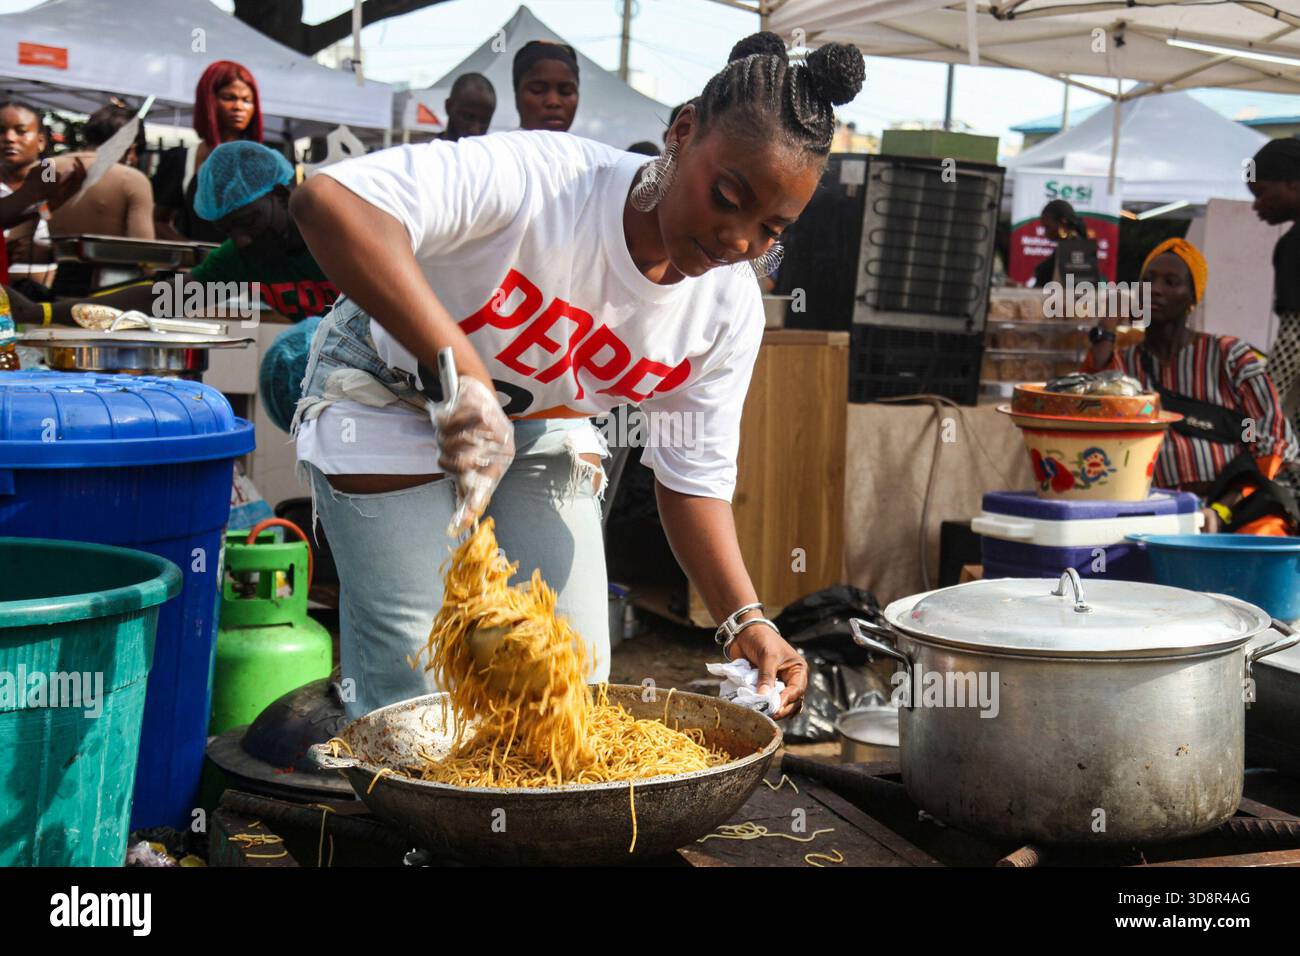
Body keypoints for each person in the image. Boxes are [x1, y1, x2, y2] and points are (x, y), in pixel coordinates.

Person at [287, 31, 865, 720]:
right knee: (421, 693)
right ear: (682, 133)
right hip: (387, 392)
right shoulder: (547, 178)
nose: (739, 241)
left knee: (569, 683)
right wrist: (463, 373)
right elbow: (330, 202)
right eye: (727, 195)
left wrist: (748, 621)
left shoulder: (726, 306)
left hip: (539, 424)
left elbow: (692, 483)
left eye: (772, 229)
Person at [8, 142, 336, 429]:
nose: (242, 238)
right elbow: (160, 299)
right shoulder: (244, 257)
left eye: (248, 221)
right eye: (229, 229)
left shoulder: (335, 232)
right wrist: (41, 311)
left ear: (281, 193)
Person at [1083, 238, 1298, 530]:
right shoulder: (1125, 364)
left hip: (1238, 504)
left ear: (1192, 298)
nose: (1156, 289)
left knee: (1263, 539)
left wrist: (1224, 505)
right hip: (1159, 508)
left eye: (1171, 282)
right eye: (1148, 280)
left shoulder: (1228, 356)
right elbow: (1088, 404)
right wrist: (1107, 327)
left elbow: (1266, 431)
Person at [153, 60, 263, 242]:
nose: (239, 107)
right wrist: (192, 252)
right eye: (229, 98)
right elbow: (159, 220)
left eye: (247, 100)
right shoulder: (184, 159)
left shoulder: (263, 161)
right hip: (199, 266)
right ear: (208, 101)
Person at [1247, 137, 1300, 423]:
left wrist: (1261, 411)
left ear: (1293, 183)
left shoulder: (1294, 244)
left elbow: (1294, 339)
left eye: (1261, 192)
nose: (1256, 206)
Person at [47, 102, 155, 240]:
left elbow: (22, 243)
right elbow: (142, 248)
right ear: (132, 147)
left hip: (49, 260)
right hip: (111, 261)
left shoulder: (47, 167)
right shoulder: (133, 181)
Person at [513, 40, 579, 131]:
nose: (553, 102)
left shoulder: (589, 145)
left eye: (566, 92)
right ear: (517, 97)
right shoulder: (495, 144)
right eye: (537, 90)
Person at [439, 73, 496, 142]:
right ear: (448, 107)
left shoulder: (492, 151)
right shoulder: (427, 151)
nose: (475, 130)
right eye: (468, 117)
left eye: (484, 121)